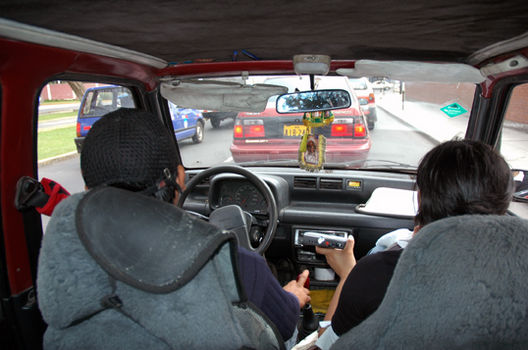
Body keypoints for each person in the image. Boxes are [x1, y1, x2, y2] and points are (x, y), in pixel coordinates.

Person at [50, 108, 310, 343]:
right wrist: (292, 297)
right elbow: (284, 327)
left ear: (86, 189)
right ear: (181, 178)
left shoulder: (64, 262)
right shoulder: (236, 264)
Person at [313, 139, 514, 349]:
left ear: (421, 197)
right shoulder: (514, 280)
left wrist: (347, 274)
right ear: (503, 204)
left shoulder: (378, 275)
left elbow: (327, 345)